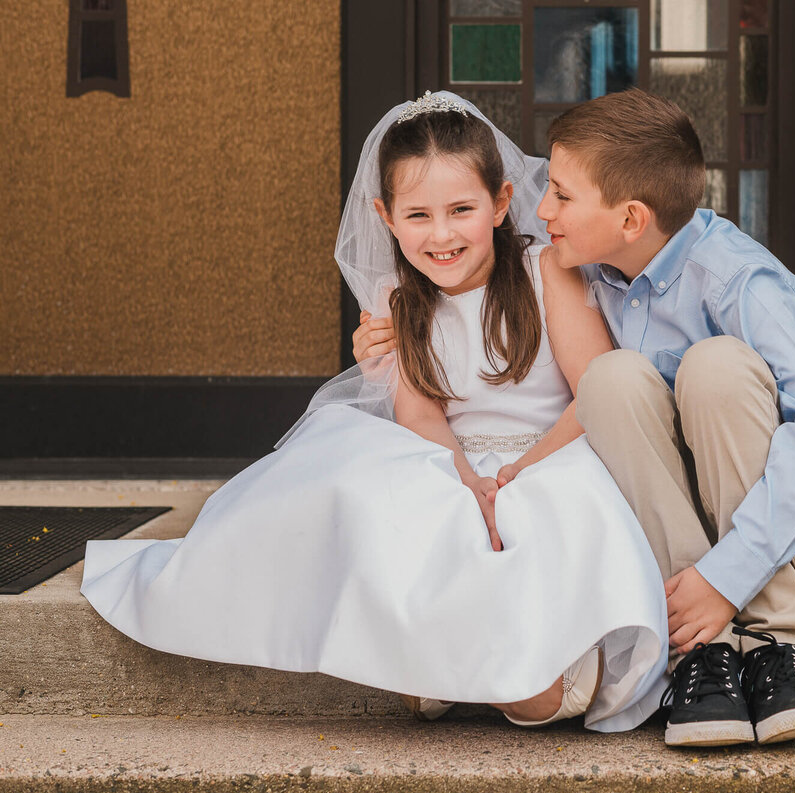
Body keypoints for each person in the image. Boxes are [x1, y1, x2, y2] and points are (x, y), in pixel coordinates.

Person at [80, 92, 669, 733]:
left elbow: (595, 395)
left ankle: (501, 667)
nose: (441, 235)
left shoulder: (544, 270)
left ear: (501, 203)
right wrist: (467, 478)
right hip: (451, 457)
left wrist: (517, 475)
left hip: (553, 450)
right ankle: (450, 656)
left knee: (540, 571)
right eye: (418, 215)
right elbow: (421, 420)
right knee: (384, 490)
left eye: (461, 211)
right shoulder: (394, 300)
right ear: (385, 216)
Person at [358, 88, 795, 748]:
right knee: (612, 378)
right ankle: (703, 651)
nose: (540, 207)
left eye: (562, 196)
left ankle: (781, 644)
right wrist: (385, 343)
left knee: (714, 366)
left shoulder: (739, 280)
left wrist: (727, 574)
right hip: (688, 504)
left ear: (630, 219)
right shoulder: (586, 269)